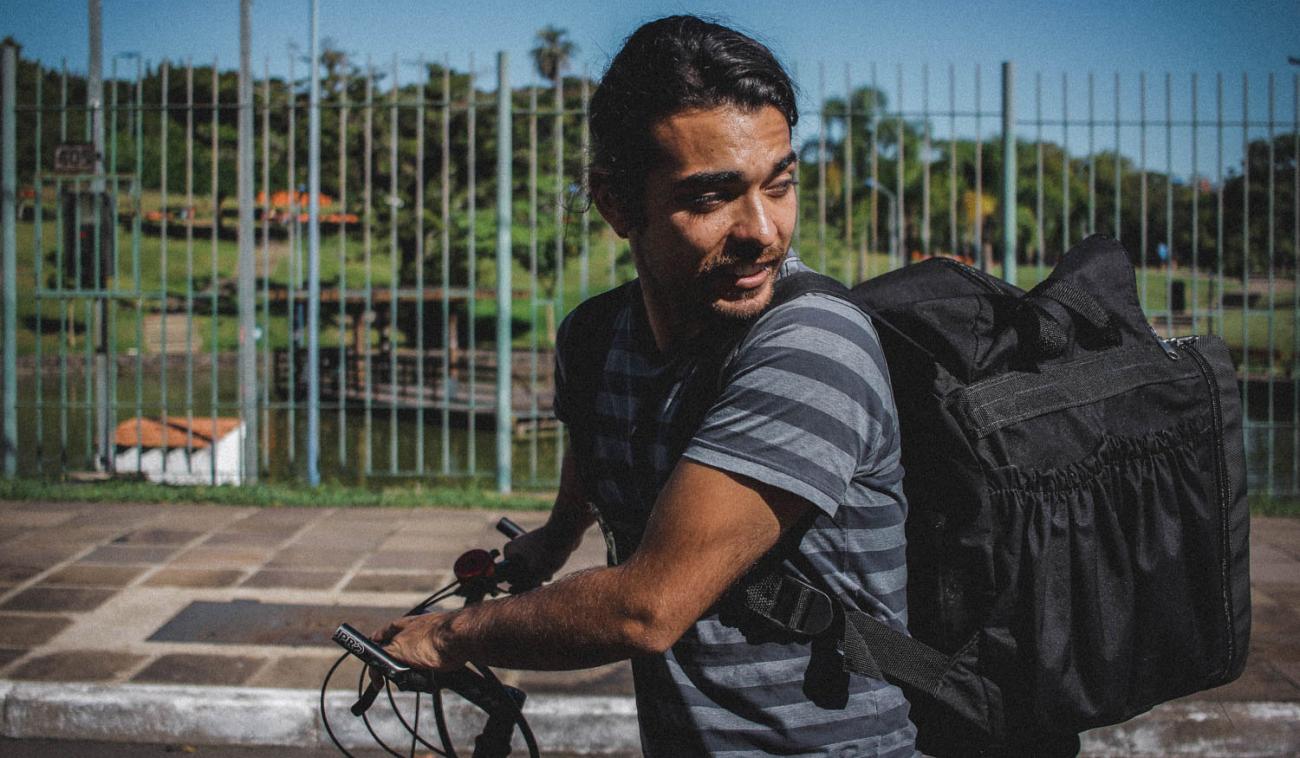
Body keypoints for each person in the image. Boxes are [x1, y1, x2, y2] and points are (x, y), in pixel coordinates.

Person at [374, 15, 916, 756]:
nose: (763, 229)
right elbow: (602, 447)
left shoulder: (811, 348)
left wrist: (449, 635)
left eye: (779, 184)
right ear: (617, 204)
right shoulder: (595, 339)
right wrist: (559, 535)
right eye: (712, 198)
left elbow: (645, 609)